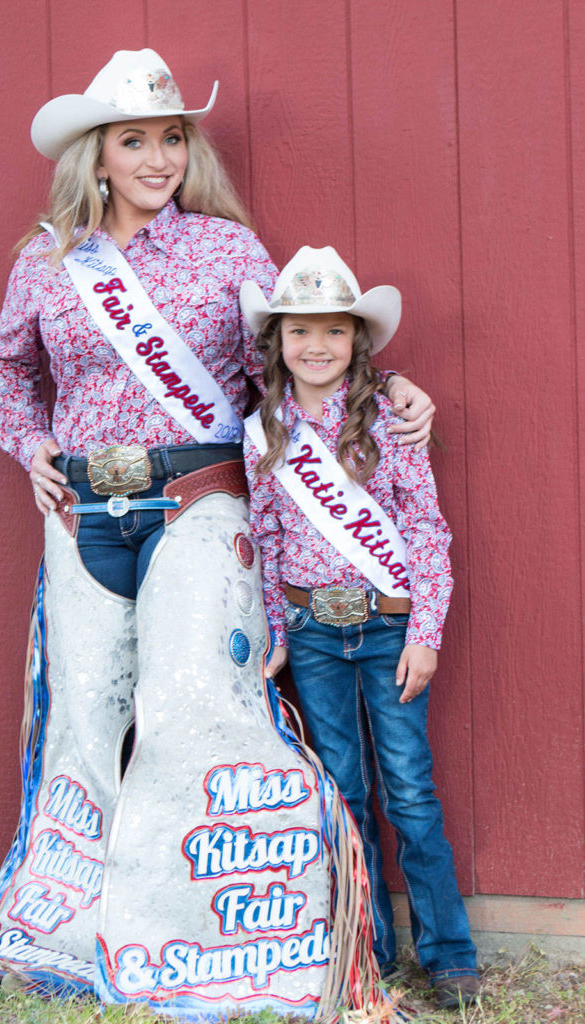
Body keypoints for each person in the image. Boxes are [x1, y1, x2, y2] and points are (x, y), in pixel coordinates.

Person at [0, 50, 434, 1017]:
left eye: (171, 139)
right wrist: (28, 444)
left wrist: (389, 388)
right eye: (135, 140)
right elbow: (5, 369)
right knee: (85, 721)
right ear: (96, 155)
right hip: (83, 514)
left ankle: (205, 931)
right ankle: (76, 920)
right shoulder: (50, 258)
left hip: (198, 498)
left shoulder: (230, 254)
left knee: (192, 699)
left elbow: (299, 361)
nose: (157, 158)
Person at [242, 245, 480, 1010]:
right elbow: (269, 543)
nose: (316, 347)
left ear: (357, 341)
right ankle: (367, 951)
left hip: (387, 630)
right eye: (298, 332)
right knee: (341, 791)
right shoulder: (263, 432)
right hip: (312, 634)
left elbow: (425, 533)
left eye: (333, 331)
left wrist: (427, 633)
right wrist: (276, 631)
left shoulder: (387, 419)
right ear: (276, 343)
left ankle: (448, 956)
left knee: (409, 792)